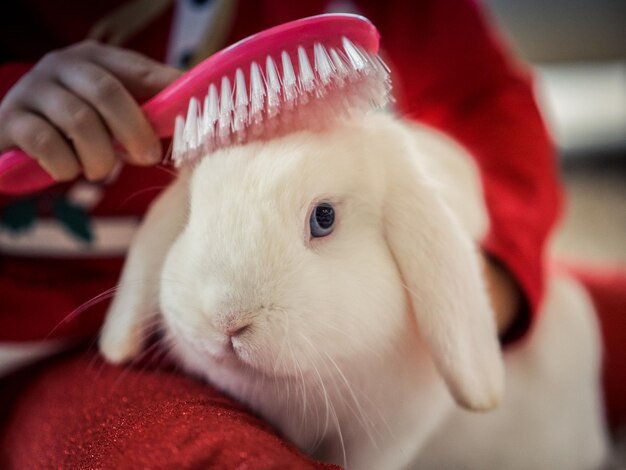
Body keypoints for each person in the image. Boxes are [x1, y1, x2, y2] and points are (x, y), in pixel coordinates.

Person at [1, 0, 620, 466]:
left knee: (584, 317)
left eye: (321, 220)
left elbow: (482, 94)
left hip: (381, 319)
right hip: (53, 336)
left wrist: (489, 282)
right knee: (191, 452)